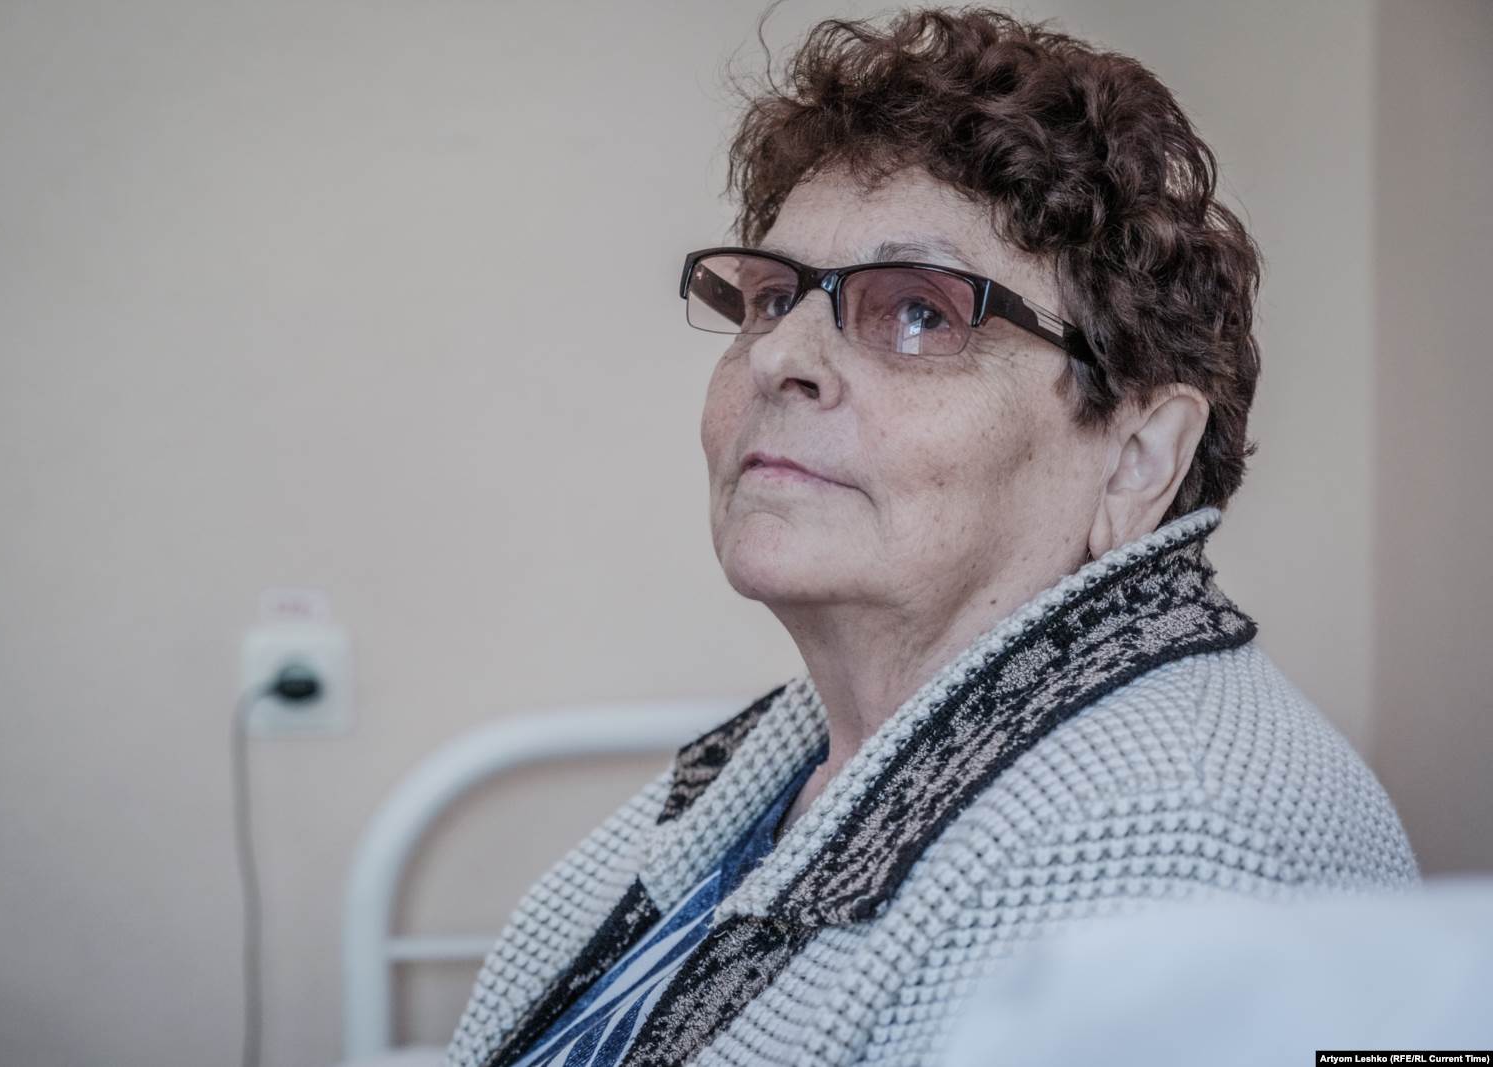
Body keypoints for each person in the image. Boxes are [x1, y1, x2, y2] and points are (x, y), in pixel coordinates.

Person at [445, 7, 1418, 1066]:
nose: (778, 357)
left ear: (1136, 458)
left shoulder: (1180, 857)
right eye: (770, 298)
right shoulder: (807, 755)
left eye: (920, 313)